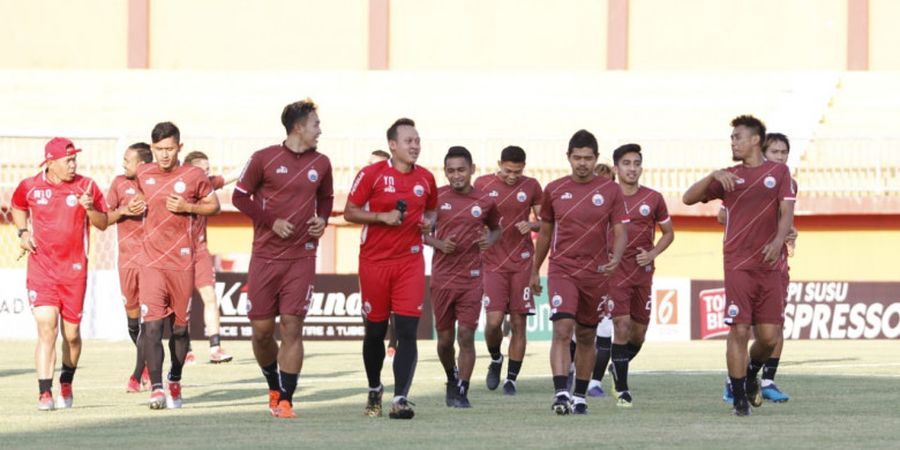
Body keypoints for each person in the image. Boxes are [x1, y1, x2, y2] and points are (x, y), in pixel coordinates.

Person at [683, 115, 795, 417]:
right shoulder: (729, 176)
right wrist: (712, 176)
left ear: (755, 139)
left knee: (769, 337)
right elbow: (688, 198)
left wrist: (778, 241)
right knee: (739, 330)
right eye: (732, 138)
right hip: (738, 265)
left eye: (737, 137)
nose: (733, 142)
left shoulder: (779, 172)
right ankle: (739, 399)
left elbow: (786, 212)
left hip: (770, 265)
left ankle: (750, 373)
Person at [232, 99, 333, 419]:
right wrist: (271, 221)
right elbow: (238, 196)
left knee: (292, 326)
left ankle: (286, 399)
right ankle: (273, 385)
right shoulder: (263, 158)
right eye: (316, 124)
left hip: (302, 255)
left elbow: (326, 198)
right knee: (261, 331)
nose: (320, 129)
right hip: (265, 256)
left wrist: (323, 220)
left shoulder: (323, 162)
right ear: (299, 127)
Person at [344, 117, 438, 420]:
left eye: (418, 140)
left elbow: (433, 211)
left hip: (410, 262)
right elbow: (349, 212)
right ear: (393, 145)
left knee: (407, 331)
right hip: (374, 263)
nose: (415, 146)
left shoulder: (426, 178)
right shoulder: (371, 174)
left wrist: (430, 223)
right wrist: (381, 218)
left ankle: (400, 399)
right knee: (374, 332)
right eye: (409, 141)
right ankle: (374, 389)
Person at [530, 130, 628, 415]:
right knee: (562, 328)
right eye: (577, 158)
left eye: (588, 158)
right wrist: (534, 270)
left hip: (596, 273)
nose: (582, 163)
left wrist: (616, 257)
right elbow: (545, 234)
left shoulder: (610, 190)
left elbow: (621, 230)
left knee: (587, 336)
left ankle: (580, 395)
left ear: (596, 158)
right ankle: (561, 392)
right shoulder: (554, 189)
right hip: (563, 269)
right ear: (568, 158)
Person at [11, 137, 108, 410]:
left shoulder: (87, 186)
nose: (73, 164)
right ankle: (44, 392)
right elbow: (18, 206)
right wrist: (23, 232)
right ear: (50, 163)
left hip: (74, 272)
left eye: (75, 159)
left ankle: (66, 380)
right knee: (46, 328)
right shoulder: (29, 186)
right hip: (41, 269)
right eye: (68, 160)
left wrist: (89, 208)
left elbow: (102, 223)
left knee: (72, 335)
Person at [137, 122, 220, 410]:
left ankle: (175, 378)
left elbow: (214, 206)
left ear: (179, 148)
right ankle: (157, 388)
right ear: (152, 149)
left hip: (183, 263)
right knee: (151, 327)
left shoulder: (194, 175)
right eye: (159, 149)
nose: (164, 155)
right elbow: (134, 196)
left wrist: (188, 208)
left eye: (169, 149)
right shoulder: (143, 173)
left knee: (181, 330)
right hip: (150, 262)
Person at [721, 132, 796, 404]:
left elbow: (785, 216)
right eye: (774, 152)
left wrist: (786, 231)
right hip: (746, 263)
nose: (780, 157)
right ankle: (735, 382)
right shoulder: (745, 180)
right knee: (742, 328)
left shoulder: (788, 182)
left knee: (773, 329)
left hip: (777, 263)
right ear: (763, 153)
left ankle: (764, 379)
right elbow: (723, 214)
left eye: (784, 152)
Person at [426, 146, 501, 408]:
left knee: (466, 335)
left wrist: (488, 241)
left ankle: (462, 389)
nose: (456, 175)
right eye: (450, 171)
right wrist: (438, 244)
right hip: (443, 278)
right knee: (445, 340)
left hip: (471, 277)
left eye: (461, 170)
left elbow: (496, 230)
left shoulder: (485, 201)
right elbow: (421, 232)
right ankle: (451, 377)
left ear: (472, 170)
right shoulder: (435, 197)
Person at [602, 144, 674, 408]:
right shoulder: (605, 197)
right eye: (626, 163)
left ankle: (616, 367)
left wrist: (652, 253)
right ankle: (622, 389)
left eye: (636, 164)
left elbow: (669, 233)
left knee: (638, 333)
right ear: (616, 168)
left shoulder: (653, 198)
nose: (632, 169)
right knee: (621, 325)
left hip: (642, 273)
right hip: (614, 272)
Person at [473, 145, 542, 395]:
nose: (512, 175)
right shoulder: (482, 184)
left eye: (518, 171)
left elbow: (545, 222)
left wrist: (533, 224)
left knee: (518, 322)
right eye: (508, 170)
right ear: (499, 163)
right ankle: (495, 358)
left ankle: (511, 379)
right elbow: (473, 215)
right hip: (492, 261)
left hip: (522, 261)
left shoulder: (532, 186)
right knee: (493, 323)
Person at [106, 142, 153, 392]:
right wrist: (125, 210)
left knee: (149, 322)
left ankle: (136, 375)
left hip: (152, 262)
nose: (123, 164)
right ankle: (146, 365)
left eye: (127, 159)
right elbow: (104, 218)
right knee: (133, 325)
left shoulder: (156, 182)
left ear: (142, 164)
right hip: (126, 262)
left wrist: (148, 202)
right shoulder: (118, 183)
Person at [183, 150, 235, 364]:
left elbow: (235, 175)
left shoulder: (208, 185)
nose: (207, 174)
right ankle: (184, 349)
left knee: (211, 297)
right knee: (181, 304)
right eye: (203, 170)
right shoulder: (177, 186)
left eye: (208, 170)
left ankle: (215, 348)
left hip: (201, 251)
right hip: (178, 254)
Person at [367, 149, 399, 359]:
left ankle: (394, 343)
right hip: (371, 257)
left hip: (397, 256)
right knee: (374, 310)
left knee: (397, 308)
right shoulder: (365, 186)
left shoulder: (399, 186)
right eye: (369, 163)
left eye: (375, 163)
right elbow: (354, 213)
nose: (371, 167)